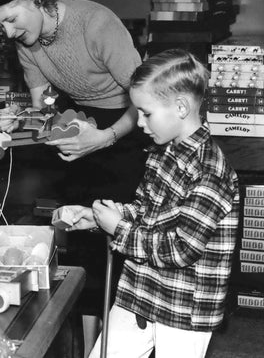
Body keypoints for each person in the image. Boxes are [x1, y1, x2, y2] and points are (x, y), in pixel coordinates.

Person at [0, 0, 149, 350]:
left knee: (120, 244)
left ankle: (125, 342)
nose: (8, 31)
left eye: (13, 19)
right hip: (80, 126)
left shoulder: (96, 23)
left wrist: (104, 138)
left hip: (128, 125)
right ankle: (89, 346)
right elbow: (44, 104)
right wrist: (22, 117)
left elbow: (145, 100)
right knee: (81, 244)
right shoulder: (26, 44)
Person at [61, 49, 239, 358]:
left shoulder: (210, 172)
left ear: (180, 107)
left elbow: (181, 249)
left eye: (146, 113)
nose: (139, 123)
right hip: (140, 290)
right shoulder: (161, 152)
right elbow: (144, 208)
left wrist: (119, 230)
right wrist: (98, 217)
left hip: (184, 309)